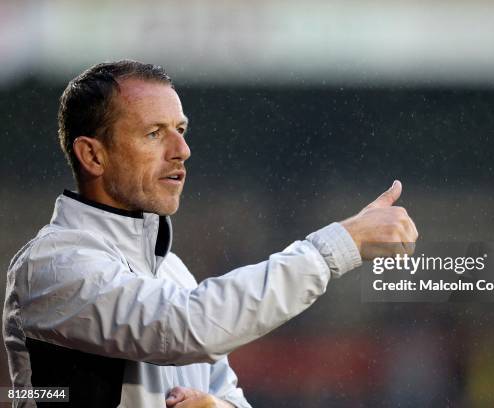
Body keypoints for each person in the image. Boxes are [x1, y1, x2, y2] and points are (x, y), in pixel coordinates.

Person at [2, 60, 418, 408]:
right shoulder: (53, 264)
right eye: (153, 133)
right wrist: (340, 245)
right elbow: (188, 326)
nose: (181, 149)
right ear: (93, 154)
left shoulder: (173, 273)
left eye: (180, 129)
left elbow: (226, 389)